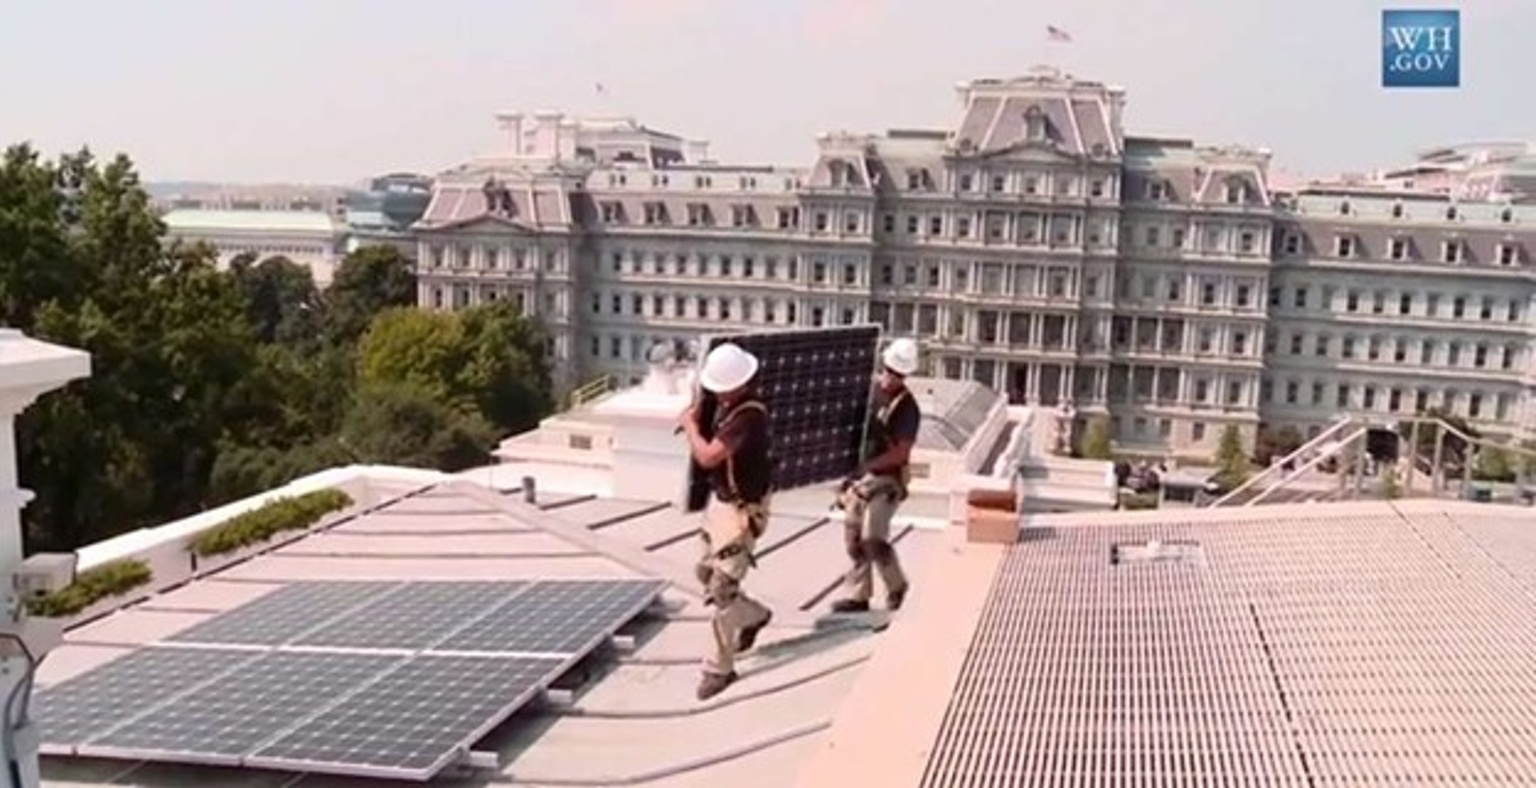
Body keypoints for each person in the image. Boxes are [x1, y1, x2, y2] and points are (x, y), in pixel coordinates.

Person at [678, 342, 775, 701]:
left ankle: (719, 668)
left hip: (742, 513)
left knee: (721, 590)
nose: (715, 393)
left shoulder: (748, 418)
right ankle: (753, 615)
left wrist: (689, 425)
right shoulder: (725, 405)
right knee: (704, 572)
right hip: (721, 506)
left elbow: (707, 456)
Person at [830, 338, 921, 615]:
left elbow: (901, 454)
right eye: (887, 370)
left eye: (897, 374)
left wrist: (868, 465)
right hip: (861, 478)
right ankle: (859, 595)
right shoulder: (869, 394)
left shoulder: (907, 408)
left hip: (886, 480)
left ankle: (896, 587)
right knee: (854, 538)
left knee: (874, 537)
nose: (890, 377)